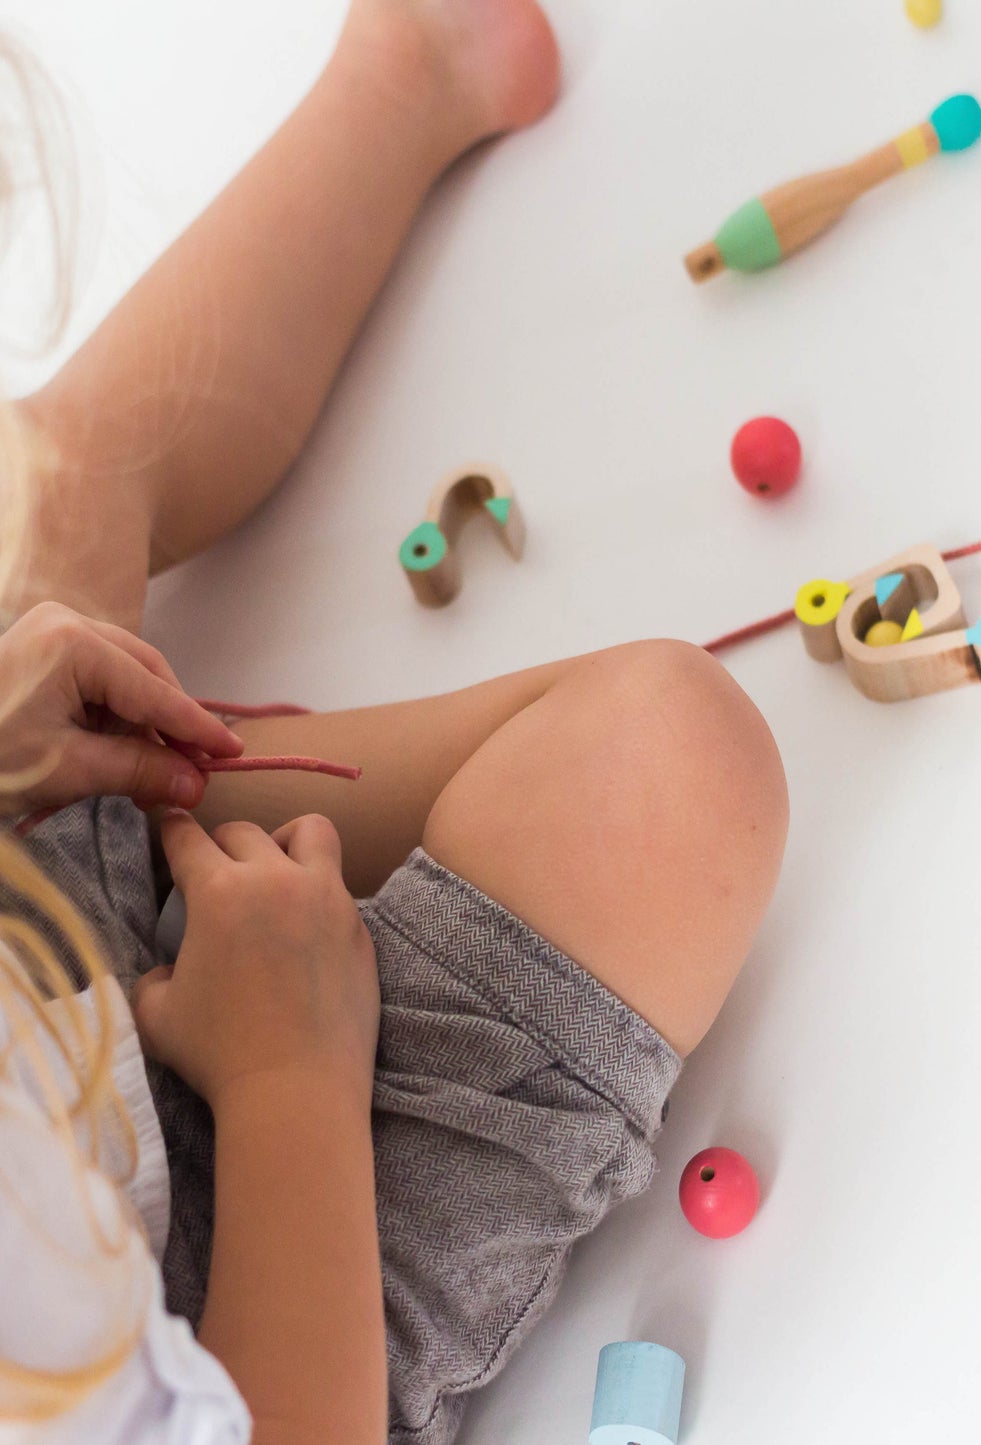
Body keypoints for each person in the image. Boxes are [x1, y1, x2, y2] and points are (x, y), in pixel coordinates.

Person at [0, 5, 789, 1441]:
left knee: (45, 488)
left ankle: (418, 68)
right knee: (668, 763)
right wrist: (288, 1077)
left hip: (37, 989)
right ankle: (200, 850)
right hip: (248, 1314)